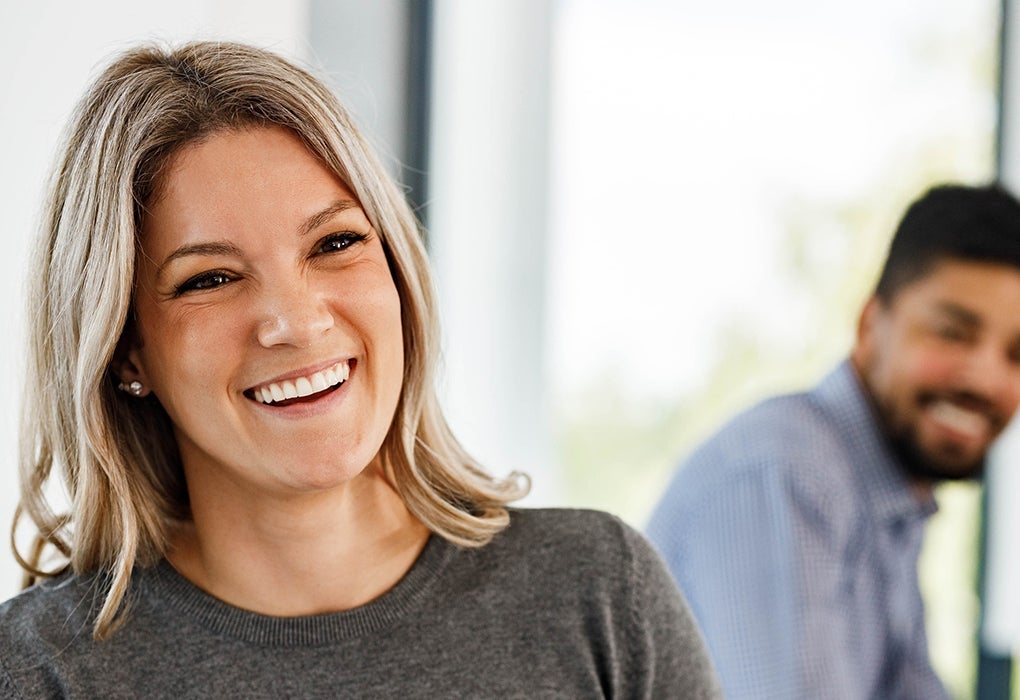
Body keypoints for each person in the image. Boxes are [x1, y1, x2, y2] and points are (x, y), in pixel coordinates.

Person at [0, 41, 720, 698]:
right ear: (127, 350)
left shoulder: (597, 592)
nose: (298, 321)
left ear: (400, 273)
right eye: (211, 279)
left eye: (335, 242)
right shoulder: (39, 671)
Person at [647, 182, 1020, 699]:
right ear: (870, 325)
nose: (985, 379)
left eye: (1017, 356)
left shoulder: (891, 499)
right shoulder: (786, 469)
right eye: (951, 333)